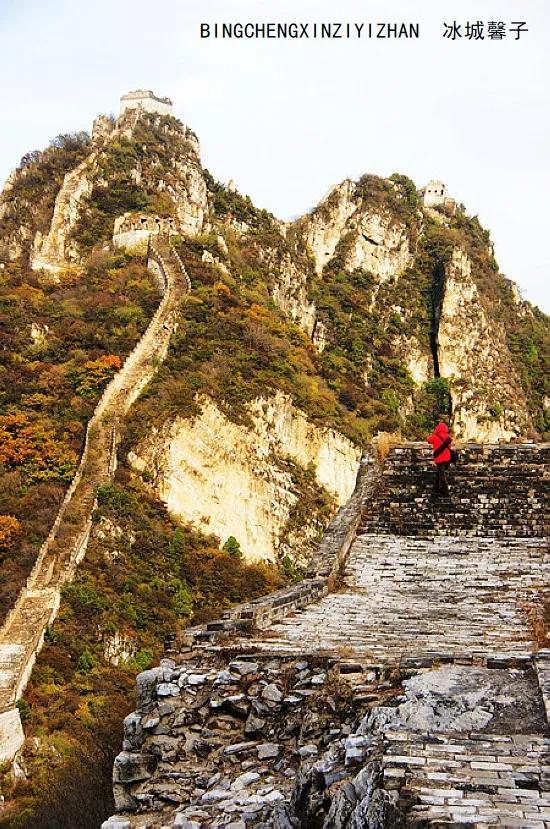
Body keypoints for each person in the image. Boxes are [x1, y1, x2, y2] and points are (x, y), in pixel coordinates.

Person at [427, 420, 453, 496]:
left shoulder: (435, 437)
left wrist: (434, 433)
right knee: (439, 474)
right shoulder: (448, 437)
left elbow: (428, 440)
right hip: (447, 460)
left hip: (440, 460)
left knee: (442, 476)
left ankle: (445, 491)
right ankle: (436, 489)